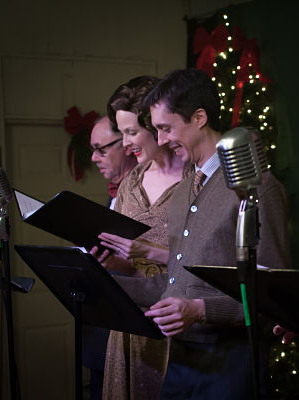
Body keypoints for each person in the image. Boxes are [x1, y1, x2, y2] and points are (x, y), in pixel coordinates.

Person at [112, 68, 290, 400]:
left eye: (166, 128)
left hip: (232, 362)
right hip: (181, 359)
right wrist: (103, 282)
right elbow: (175, 283)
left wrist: (199, 309)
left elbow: (272, 291)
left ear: (199, 117)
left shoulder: (258, 187)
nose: (162, 140)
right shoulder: (183, 192)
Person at [93, 75, 188, 400]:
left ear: (157, 126)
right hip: (131, 324)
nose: (127, 142)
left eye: (132, 132)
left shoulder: (194, 177)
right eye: (121, 134)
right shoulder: (130, 183)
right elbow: (131, 263)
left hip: (176, 323)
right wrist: (113, 261)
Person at [83, 115, 137, 400]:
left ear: (127, 144)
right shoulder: (114, 196)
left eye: (101, 149)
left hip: (134, 338)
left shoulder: (149, 194)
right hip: (100, 339)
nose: (94, 158)